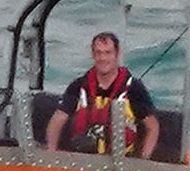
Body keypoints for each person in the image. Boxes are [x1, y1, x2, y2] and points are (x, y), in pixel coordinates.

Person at [43, 30, 160, 158]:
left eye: (108, 53)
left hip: (120, 161)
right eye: (98, 53)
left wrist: (143, 159)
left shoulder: (134, 88)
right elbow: (58, 118)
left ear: (117, 54)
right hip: (83, 158)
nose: (103, 58)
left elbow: (152, 127)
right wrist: (51, 152)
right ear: (93, 55)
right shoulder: (79, 85)